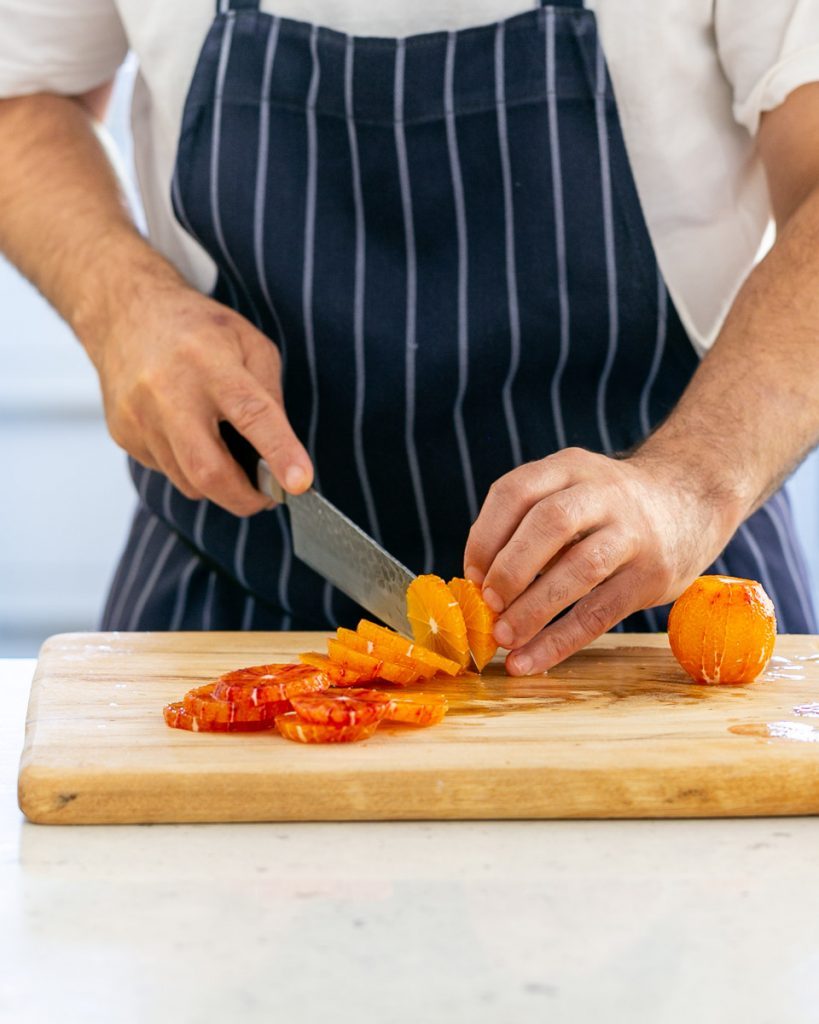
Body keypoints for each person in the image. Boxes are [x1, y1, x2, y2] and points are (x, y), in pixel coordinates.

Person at [0, 0, 817, 676]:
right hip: (224, 600)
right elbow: (21, 92)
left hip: (659, 632)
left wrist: (685, 486)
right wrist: (122, 301)